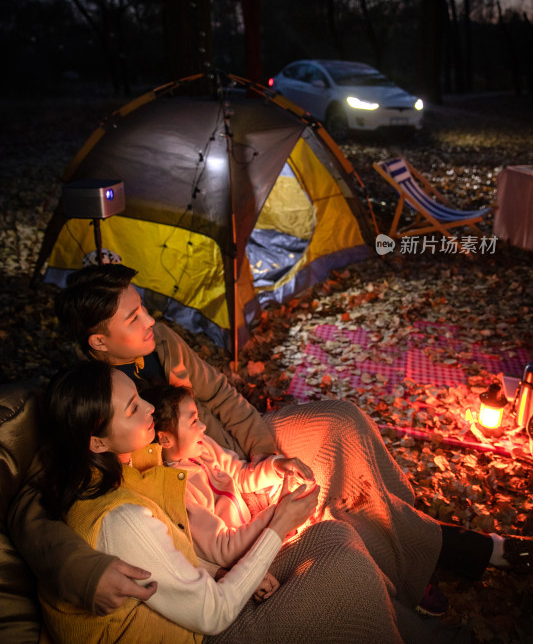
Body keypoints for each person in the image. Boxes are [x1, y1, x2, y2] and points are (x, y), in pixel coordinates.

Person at [9, 264, 533, 642]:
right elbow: (37, 502)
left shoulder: (162, 343)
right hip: (194, 497)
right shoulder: (88, 401)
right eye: (132, 316)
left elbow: (217, 394)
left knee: (338, 424)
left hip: (227, 452)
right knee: (323, 523)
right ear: (99, 343)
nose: (149, 319)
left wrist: (266, 454)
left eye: (142, 306)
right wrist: (80, 569)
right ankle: (451, 553)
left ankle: (410, 555)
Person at [39, 362, 319, 642]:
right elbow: (214, 613)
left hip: (207, 591)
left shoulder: (128, 469)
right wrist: (280, 523)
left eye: (139, 396)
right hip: (193, 629)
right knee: (333, 567)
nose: (149, 408)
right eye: (133, 408)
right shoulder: (122, 517)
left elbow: (164, 556)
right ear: (97, 443)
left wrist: (220, 572)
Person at [146, 383, 315, 572]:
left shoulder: (203, 447)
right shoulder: (179, 493)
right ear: (165, 439)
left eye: (199, 418)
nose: (203, 426)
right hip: (249, 556)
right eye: (193, 422)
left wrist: (277, 466)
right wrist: (278, 514)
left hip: (259, 526)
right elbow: (224, 549)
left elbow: (240, 474)